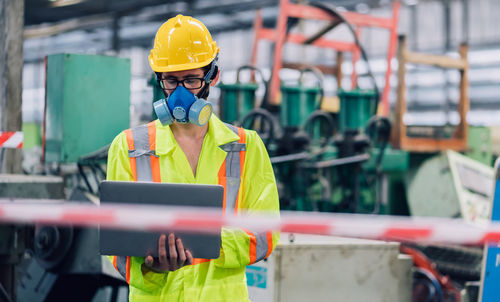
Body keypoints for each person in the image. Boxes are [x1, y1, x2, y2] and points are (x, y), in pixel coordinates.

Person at [106, 14, 280, 301]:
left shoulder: (245, 146)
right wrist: (153, 267)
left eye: (191, 80)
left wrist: (202, 242)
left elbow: (265, 236)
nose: (180, 93)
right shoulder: (128, 147)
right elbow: (117, 247)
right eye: (171, 81)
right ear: (158, 80)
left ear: (213, 76)